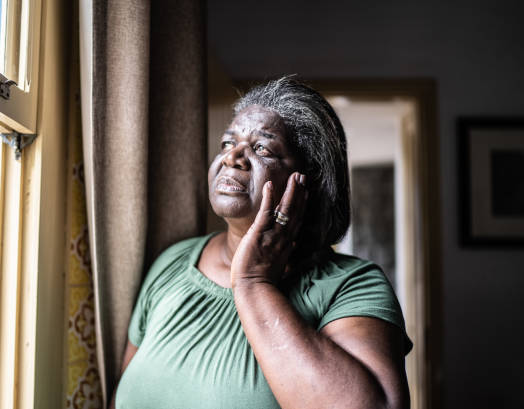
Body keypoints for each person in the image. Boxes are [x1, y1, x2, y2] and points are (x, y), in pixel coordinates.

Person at [115, 77, 412, 409]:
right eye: (228, 143)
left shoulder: (351, 286)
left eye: (261, 148)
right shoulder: (173, 262)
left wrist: (254, 284)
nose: (233, 158)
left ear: (308, 182)